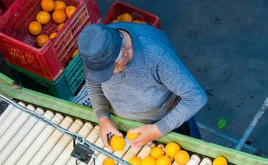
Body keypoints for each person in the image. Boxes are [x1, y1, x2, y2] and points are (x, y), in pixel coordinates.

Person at [77, 23, 207, 148]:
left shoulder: (157, 56)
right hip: (121, 123)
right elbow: (93, 82)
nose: (108, 76)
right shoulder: (98, 46)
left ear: (123, 52)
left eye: (109, 71)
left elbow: (196, 97)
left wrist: (158, 130)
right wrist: (103, 118)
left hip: (164, 122)